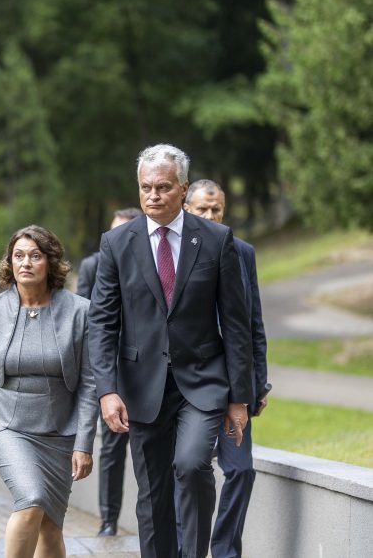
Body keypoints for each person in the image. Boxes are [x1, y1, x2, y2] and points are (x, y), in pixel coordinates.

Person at [88, 144, 253, 558]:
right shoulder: (116, 243)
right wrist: (107, 391)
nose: (153, 196)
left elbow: (235, 323)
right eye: (146, 187)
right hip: (141, 388)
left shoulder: (217, 241)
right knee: (154, 494)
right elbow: (102, 323)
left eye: (163, 187)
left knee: (193, 465)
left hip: (202, 382)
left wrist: (240, 398)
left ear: (182, 189)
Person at [0, 225, 97, 558]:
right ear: (9, 263)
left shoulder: (81, 311)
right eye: (18, 256)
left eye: (35, 256)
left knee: (51, 524)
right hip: (6, 424)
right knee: (32, 497)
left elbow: (90, 384)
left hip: (60, 430)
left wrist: (84, 443)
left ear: (50, 262)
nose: (26, 263)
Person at [182, 179, 269, 558]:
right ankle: (188, 549)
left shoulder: (243, 252)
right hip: (192, 383)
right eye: (201, 209)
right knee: (188, 470)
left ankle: (225, 551)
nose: (210, 216)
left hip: (235, 387)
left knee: (240, 470)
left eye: (216, 209)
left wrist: (257, 384)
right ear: (186, 209)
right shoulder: (176, 253)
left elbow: (253, 322)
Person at [75, 207, 142, 537]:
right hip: (112, 373)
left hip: (147, 370)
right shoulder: (93, 266)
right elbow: (88, 322)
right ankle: (108, 519)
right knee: (112, 452)